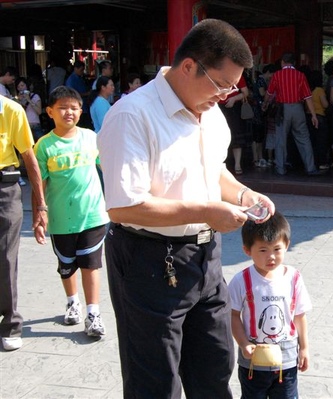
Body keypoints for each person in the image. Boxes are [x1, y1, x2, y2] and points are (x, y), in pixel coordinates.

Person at [96, 18, 275, 398]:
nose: (224, 96)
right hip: (148, 259)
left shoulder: (209, 113)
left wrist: (244, 195)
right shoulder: (132, 116)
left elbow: (215, 170)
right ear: (189, 65)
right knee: (155, 382)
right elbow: (125, 207)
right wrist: (207, 211)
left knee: (213, 370)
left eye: (232, 88)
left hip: (206, 258)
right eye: (221, 85)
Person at [33, 86, 109, 337]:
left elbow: (109, 166)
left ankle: (93, 313)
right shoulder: (44, 146)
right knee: (67, 266)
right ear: (50, 111)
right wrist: (40, 214)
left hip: (93, 215)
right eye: (63, 107)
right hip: (61, 219)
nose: (69, 112)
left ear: (81, 110)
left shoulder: (91, 138)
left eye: (74, 108)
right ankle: (72, 302)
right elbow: (39, 184)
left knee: (90, 264)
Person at [229, 211, 311, 399]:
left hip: (287, 359)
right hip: (253, 361)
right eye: (263, 250)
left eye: (277, 249)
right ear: (247, 250)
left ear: (287, 246)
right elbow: (232, 315)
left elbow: (299, 315)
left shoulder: (294, 277)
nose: (271, 256)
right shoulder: (242, 280)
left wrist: (304, 348)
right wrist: (243, 343)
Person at [0, 95, 47, 351]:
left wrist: (40, 206)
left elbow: (30, 160)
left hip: (4, 189)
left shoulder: (11, 110)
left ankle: (10, 323)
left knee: (5, 257)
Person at [262, 53, 320, 176]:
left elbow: (269, 92)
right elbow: (308, 97)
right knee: (304, 138)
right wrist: (314, 115)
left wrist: (265, 103)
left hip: (282, 109)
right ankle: (310, 167)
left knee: (280, 139)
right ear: (294, 63)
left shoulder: (277, 75)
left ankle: (280, 168)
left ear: (283, 62)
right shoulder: (300, 75)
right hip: (298, 108)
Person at [218, 74, 251, 175]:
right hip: (218, 108)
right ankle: (219, 164)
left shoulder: (238, 74)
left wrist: (234, 98)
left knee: (236, 136)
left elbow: (246, 92)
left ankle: (237, 164)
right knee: (219, 138)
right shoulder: (216, 71)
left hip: (234, 110)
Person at [307, 69, 330, 170]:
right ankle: (322, 163)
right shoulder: (319, 90)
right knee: (321, 141)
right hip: (319, 117)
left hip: (308, 117)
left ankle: (312, 162)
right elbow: (325, 104)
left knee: (311, 141)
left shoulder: (308, 90)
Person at [14, 77, 43, 141]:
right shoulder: (18, 98)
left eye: (22, 85)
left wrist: (29, 100)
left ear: (27, 86)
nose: (20, 88)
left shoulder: (35, 96)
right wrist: (18, 101)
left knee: (40, 144)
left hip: (35, 125)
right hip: (24, 125)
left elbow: (39, 111)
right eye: (18, 87)